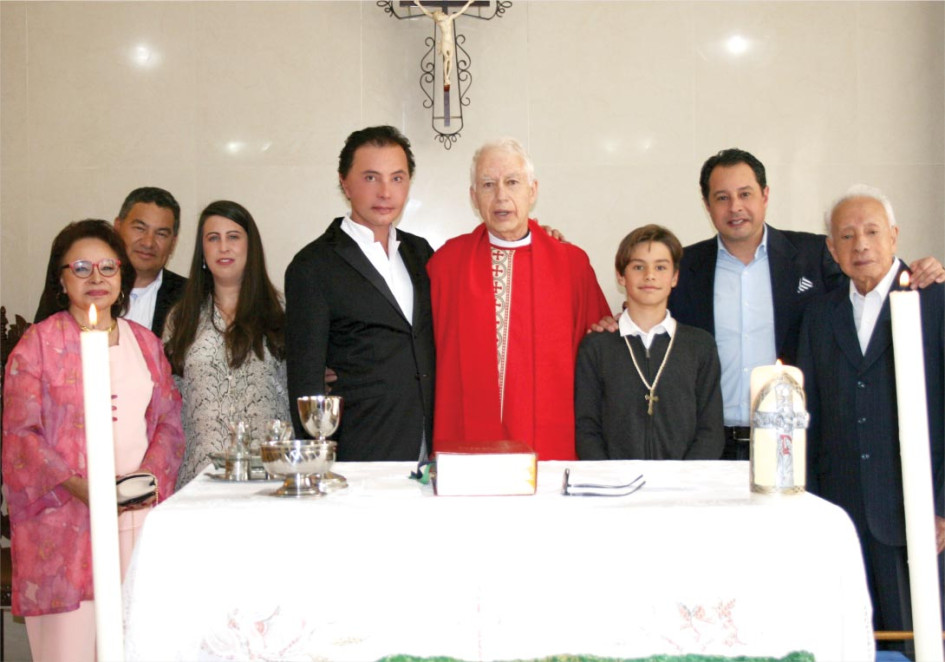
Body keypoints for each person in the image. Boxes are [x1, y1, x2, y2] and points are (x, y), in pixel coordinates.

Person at [668, 148, 945, 460]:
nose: (736, 207)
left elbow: (868, 280)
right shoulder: (683, 266)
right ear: (707, 205)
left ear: (765, 196)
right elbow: (651, 318)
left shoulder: (814, 254)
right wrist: (615, 324)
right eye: (722, 197)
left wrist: (917, 273)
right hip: (709, 444)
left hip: (791, 440)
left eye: (745, 194)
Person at [3, 219, 185, 662]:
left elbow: (168, 422)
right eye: (81, 268)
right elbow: (19, 435)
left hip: (136, 519)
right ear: (61, 279)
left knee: (135, 642)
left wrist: (146, 479)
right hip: (64, 523)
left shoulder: (144, 343)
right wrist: (78, 485)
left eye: (107, 266)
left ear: (122, 275)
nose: (96, 278)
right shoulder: (38, 344)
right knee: (72, 649)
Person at [796, 185, 944, 641]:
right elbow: (809, 413)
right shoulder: (820, 312)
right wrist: (810, 503)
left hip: (914, 512)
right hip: (839, 514)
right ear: (832, 249)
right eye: (847, 235)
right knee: (846, 639)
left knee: (915, 638)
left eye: (872, 231)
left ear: (894, 236)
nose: (860, 244)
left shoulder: (934, 301)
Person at [427, 137, 611, 460]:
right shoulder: (446, 265)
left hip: (551, 449)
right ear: (473, 197)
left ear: (533, 190)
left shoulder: (571, 265)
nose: (501, 195)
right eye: (488, 184)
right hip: (469, 453)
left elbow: (599, 356)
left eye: (512, 182)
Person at [285, 126, 435, 461]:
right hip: (359, 450)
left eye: (397, 178)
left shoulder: (422, 254)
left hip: (431, 446)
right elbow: (305, 382)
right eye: (371, 178)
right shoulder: (312, 266)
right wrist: (315, 466)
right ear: (345, 183)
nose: (385, 192)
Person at [164, 200, 290, 487]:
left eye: (233, 236)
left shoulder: (282, 311)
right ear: (202, 251)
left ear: (251, 246)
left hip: (269, 474)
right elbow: (168, 400)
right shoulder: (181, 318)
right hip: (200, 475)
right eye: (213, 238)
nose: (224, 247)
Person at [575, 225, 723, 460]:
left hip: (684, 489)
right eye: (638, 266)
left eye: (661, 267)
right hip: (617, 488)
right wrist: (611, 481)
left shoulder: (700, 346)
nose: (650, 275)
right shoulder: (596, 348)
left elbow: (711, 429)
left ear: (674, 277)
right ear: (621, 275)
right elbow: (587, 429)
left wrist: (685, 481)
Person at [33, 186, 186, 337]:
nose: (148, 242)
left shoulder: (190, 297)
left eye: (161, 234)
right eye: (139, 228)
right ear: (118, 227)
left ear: (173, 243)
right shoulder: (82, 287)